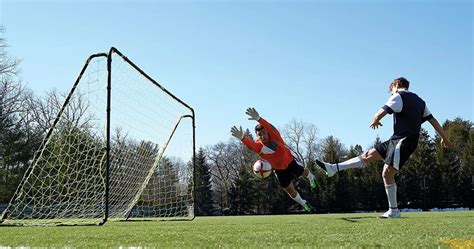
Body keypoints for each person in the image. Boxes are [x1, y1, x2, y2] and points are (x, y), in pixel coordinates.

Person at [316, 77, 450, 218]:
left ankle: (394, 211)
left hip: (404, 140)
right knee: (367, 155)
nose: (390, 93)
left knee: (387, 173)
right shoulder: (420, 101)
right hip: (397, 139)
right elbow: (432, 120)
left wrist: (375, 119)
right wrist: (444, 137)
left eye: (390, 90)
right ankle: (333, 168)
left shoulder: (398, 96)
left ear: (396, 85)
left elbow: (381, 112)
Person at [230, 107, 317, 212]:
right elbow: (251, 145)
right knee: (290, 190)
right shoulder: (259, 146)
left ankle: (312, 178)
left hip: (290, 161)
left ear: (267, 133)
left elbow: (268, 126)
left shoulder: (274, 135)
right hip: (279, 170)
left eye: (264, 133)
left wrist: (258, 118)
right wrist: (242, 138)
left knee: (303, 172)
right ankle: (304, 204)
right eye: (259, 135)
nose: (262, 136)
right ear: (257, 136)